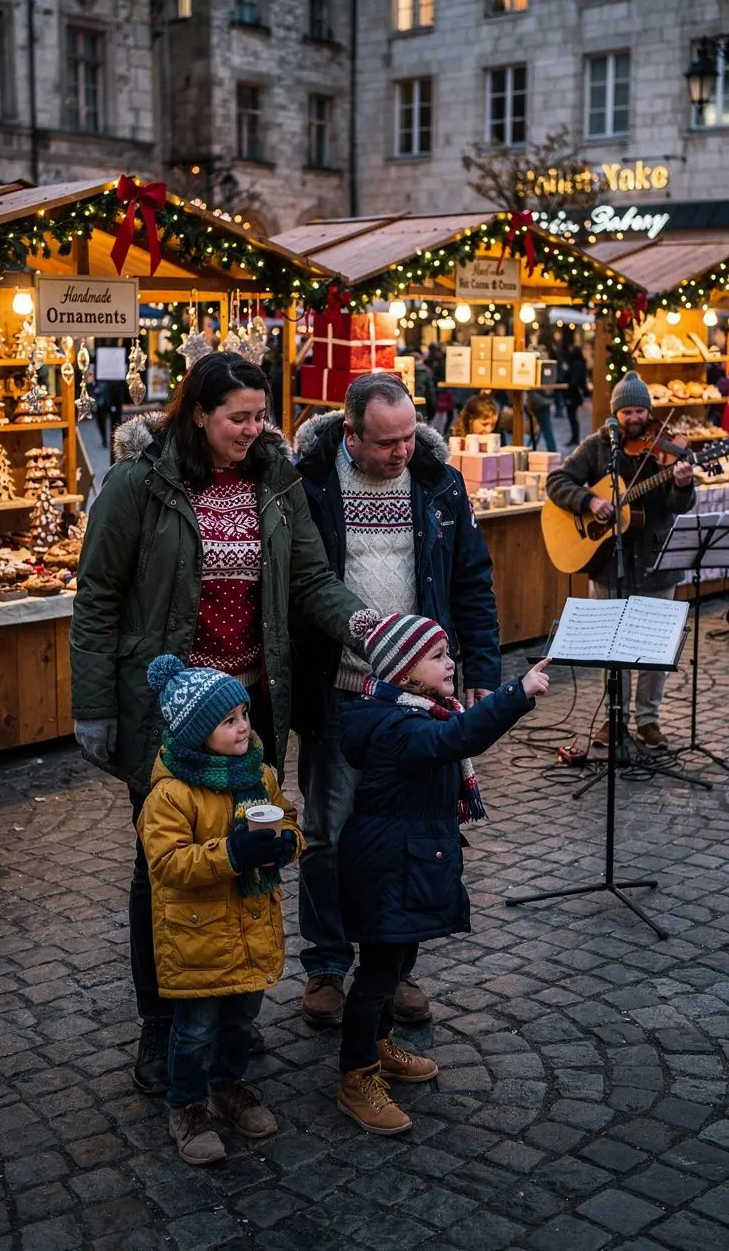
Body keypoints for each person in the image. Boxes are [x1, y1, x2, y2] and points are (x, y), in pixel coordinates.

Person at [70, 352, 368, 1095]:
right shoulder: (140, 484)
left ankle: (230, 1017)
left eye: (260, 414)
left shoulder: (276, 480)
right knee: (164, 870)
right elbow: (98, 597)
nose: (253, 428)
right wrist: (94, 706)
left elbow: (309, 579)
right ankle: (161, 1025)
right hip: (168, 716)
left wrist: (368, 626)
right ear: (197, 414)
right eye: (238, 416)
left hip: (250, 709)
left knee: (249, 858)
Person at [292, 374, 502, 1029]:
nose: (402, 452)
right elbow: (302, 583)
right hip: (338, 688)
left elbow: (471, 576)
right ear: (350, 433)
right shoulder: (311, 483)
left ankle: (392, 969)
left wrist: (483, 669)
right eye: (387, 443)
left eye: (410, 436)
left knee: (404, 831)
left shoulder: (438, 480)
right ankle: (328, 965)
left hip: (414, 695)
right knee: (327, 834)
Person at [336, 614, 551, 1134]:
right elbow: (461, 738)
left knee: (399, 959)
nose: (450, 661)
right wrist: (516, 693)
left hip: (407, 860)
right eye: (436, 656)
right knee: (377, 975)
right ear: (405, 670)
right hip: (387, 866)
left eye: (447, 652)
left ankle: (381, 1046)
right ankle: (355, 1075)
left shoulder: (420, 711)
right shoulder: (399, 727)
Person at [138, 657, 304, 1166]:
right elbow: (166, 864)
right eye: (228, 720)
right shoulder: (170, 795)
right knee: (193, 1031)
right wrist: (232, 854)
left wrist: (285, 846)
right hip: (198, 938)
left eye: (244, 715)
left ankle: (228, 1086)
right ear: (195, 732)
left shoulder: (261, 775)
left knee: (241, 1021)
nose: (243, 727)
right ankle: (186, 1105)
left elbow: (290, 822)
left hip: (253, 923)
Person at [545, 370, 695, 750]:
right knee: (613, 647)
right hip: (609, 563)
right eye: (626, 412)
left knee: (656, 647)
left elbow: (680, 506)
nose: (634, 419)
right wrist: (590, 501)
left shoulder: (667, 451)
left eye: (639, 412)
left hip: (658, 561)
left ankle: (649, 720)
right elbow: (557, 482)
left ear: (649, 412)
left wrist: (681, 483)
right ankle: (615, 719)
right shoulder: (598, 446)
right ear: (616, 414)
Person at [563, 345, 589, 448]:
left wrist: (569, 386)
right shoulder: (577, 363)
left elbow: (575, 380)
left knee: (573, 417)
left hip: (573, 394)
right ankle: (574, 438)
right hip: (572, 393)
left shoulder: (577, 364)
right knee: (572, 417)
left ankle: (575, 438)